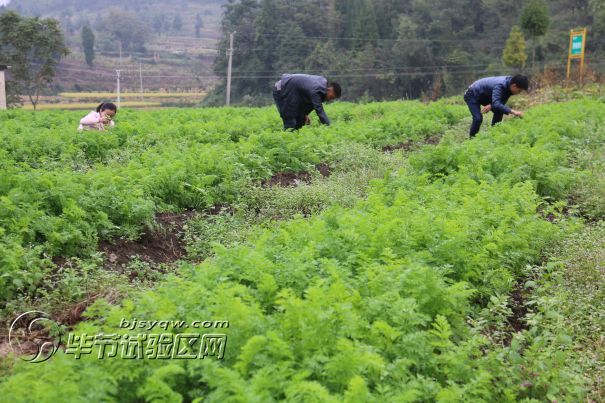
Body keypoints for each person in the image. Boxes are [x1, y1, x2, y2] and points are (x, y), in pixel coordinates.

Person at [463, 75, 529, 138]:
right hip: (472, 94)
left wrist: (492, 105)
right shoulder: (500, 85)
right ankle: (472, 140)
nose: (519, 93)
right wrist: (513, 112)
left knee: (499, 110)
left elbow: (500, 102)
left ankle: (494, 134)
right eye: (519, 90)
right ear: (514, 86)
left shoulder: (510, 84)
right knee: (478, 118)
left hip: (484, 95)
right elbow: (497, 103)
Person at [273, 74, 341, 130]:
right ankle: (285, 142)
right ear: (329, 90)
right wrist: (330, 127)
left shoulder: (321, 87)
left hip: (292, 93)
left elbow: (305, 97)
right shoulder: (317, 89)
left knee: (300, 122)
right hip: (282, 89)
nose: (330, 100)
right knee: (290, 123)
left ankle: (295, 143)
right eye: (331, 97)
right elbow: (319, 110)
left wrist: (304, 114)